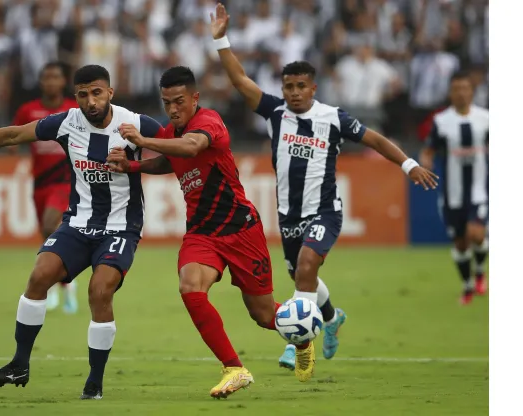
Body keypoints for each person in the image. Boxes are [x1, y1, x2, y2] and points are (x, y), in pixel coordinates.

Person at [209, 3, 438, 370]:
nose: (295, 93)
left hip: (324, 210)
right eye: (289, 87)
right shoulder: (275, 113)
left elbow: (375, 140)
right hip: (289, 215)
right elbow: (240, 82)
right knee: (305, 275)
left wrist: (408, 164)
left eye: (301, 86)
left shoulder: (333, 118)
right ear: (282, 88)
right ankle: (331, 318)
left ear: (313, 88)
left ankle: (297, 341)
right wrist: (221, 41)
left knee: (305, 267)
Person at [0, 65, 163, 400]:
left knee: (100, 292)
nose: (90, 101)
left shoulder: (136, 123)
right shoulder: (67, 122)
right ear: (76, 97)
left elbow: (173, 156)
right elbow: (13, 135)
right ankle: (19, 364)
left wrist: (135, 164)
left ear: (110, 93)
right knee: (40, 275)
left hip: (120, 227)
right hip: (78, 222)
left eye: (97, 92)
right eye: (83, 94)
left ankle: (94, 382)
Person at [107, 66, 297, 398]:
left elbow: (191, 147)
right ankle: (234, 368)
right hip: (202, 233)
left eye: (179, 101)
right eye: (167, 103)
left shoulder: (209, 122)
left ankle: (303, 331)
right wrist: (134, 165)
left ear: (195, 98)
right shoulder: (169, 133)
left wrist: (141, 141)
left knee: (264, 315)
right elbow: (169, 160)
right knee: (190, 286)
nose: (173, 109)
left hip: (241, 229)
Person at [12, 62, 79, 314]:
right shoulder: (27, 111)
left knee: (52, 225)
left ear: (63, 83)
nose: (51, 82)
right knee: (45, 232)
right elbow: (15, 138)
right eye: (46, 77)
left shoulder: (73, 110)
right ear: (41, 82)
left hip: (65, 182)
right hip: (39, 183)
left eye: (55, 77)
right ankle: (65, 283)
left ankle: (50, 284)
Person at [420, 71, 489, 305]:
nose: (461, 93)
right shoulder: (441, 121)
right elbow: (429, 149)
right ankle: (468, 285)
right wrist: (426, 162)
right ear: (451, 93)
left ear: (472, 91)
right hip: (452, 194)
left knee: (476, 234)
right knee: (460, 243)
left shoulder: (486, 118)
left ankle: (480, 272)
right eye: (456, 89)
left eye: (465, 88)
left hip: (480, 190)